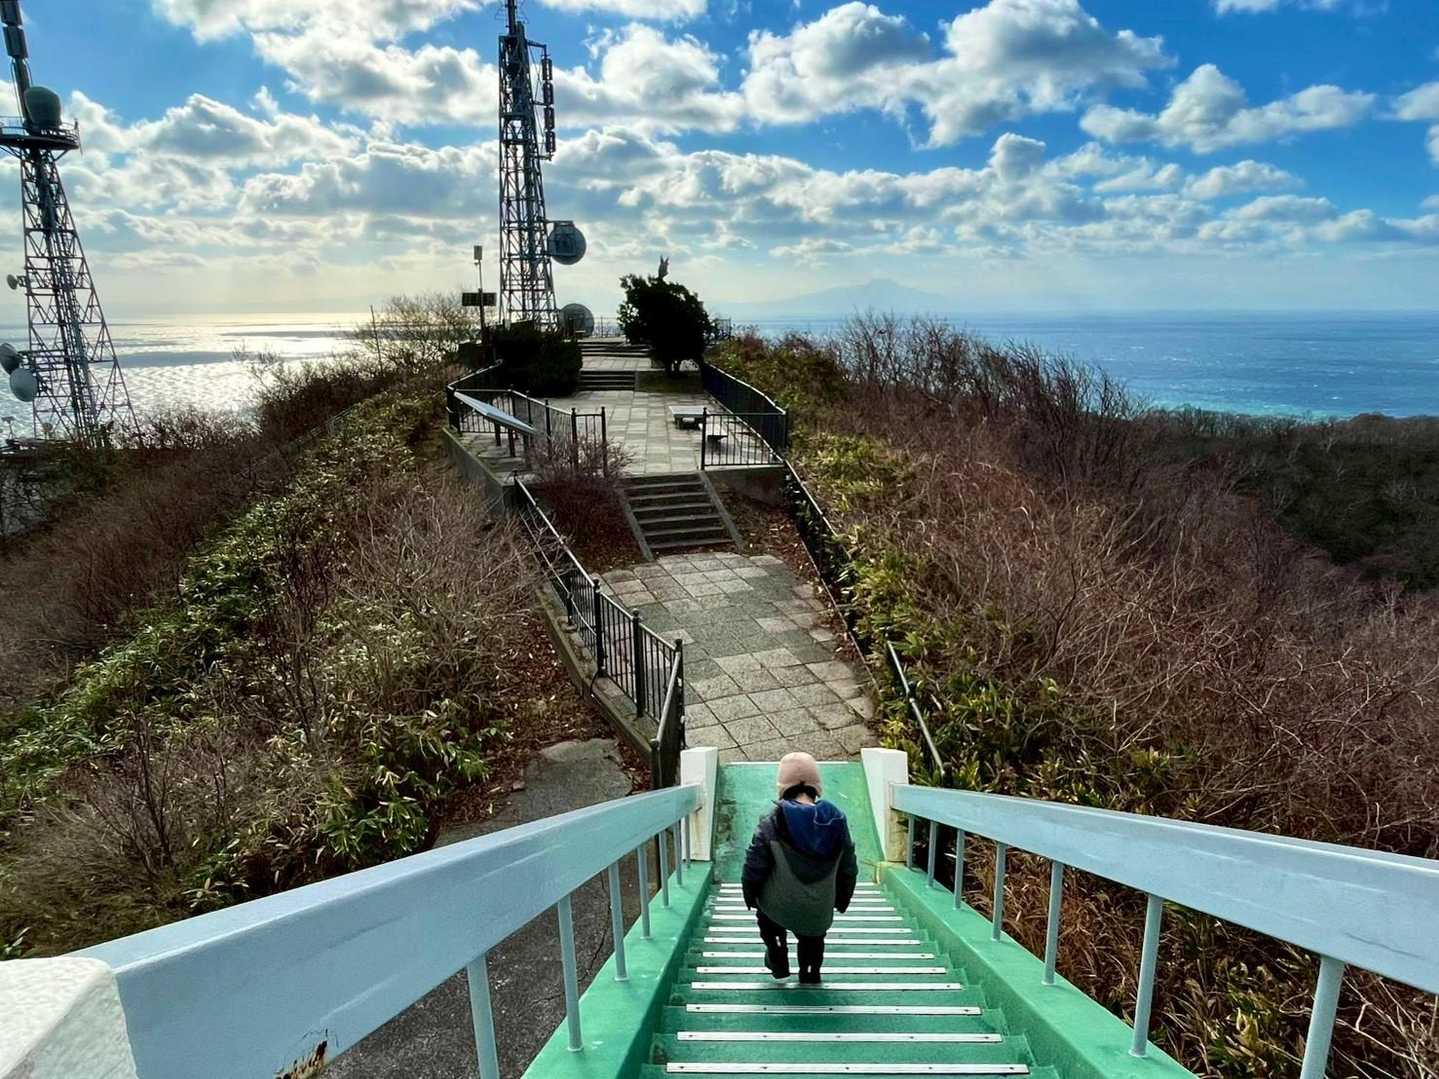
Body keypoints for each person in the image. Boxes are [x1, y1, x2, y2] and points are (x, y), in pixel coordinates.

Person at [740, 752, 859, 984]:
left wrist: (750, 896)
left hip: (777, 907)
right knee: (813, 939)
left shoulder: (772, 822)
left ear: (782, 787)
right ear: (817, 786)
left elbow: (754, 866)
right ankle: (810, 971)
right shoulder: (837, 822)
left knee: (768, 919)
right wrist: (842, 900)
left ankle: (777, 955)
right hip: (817, 910)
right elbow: (848, 868)